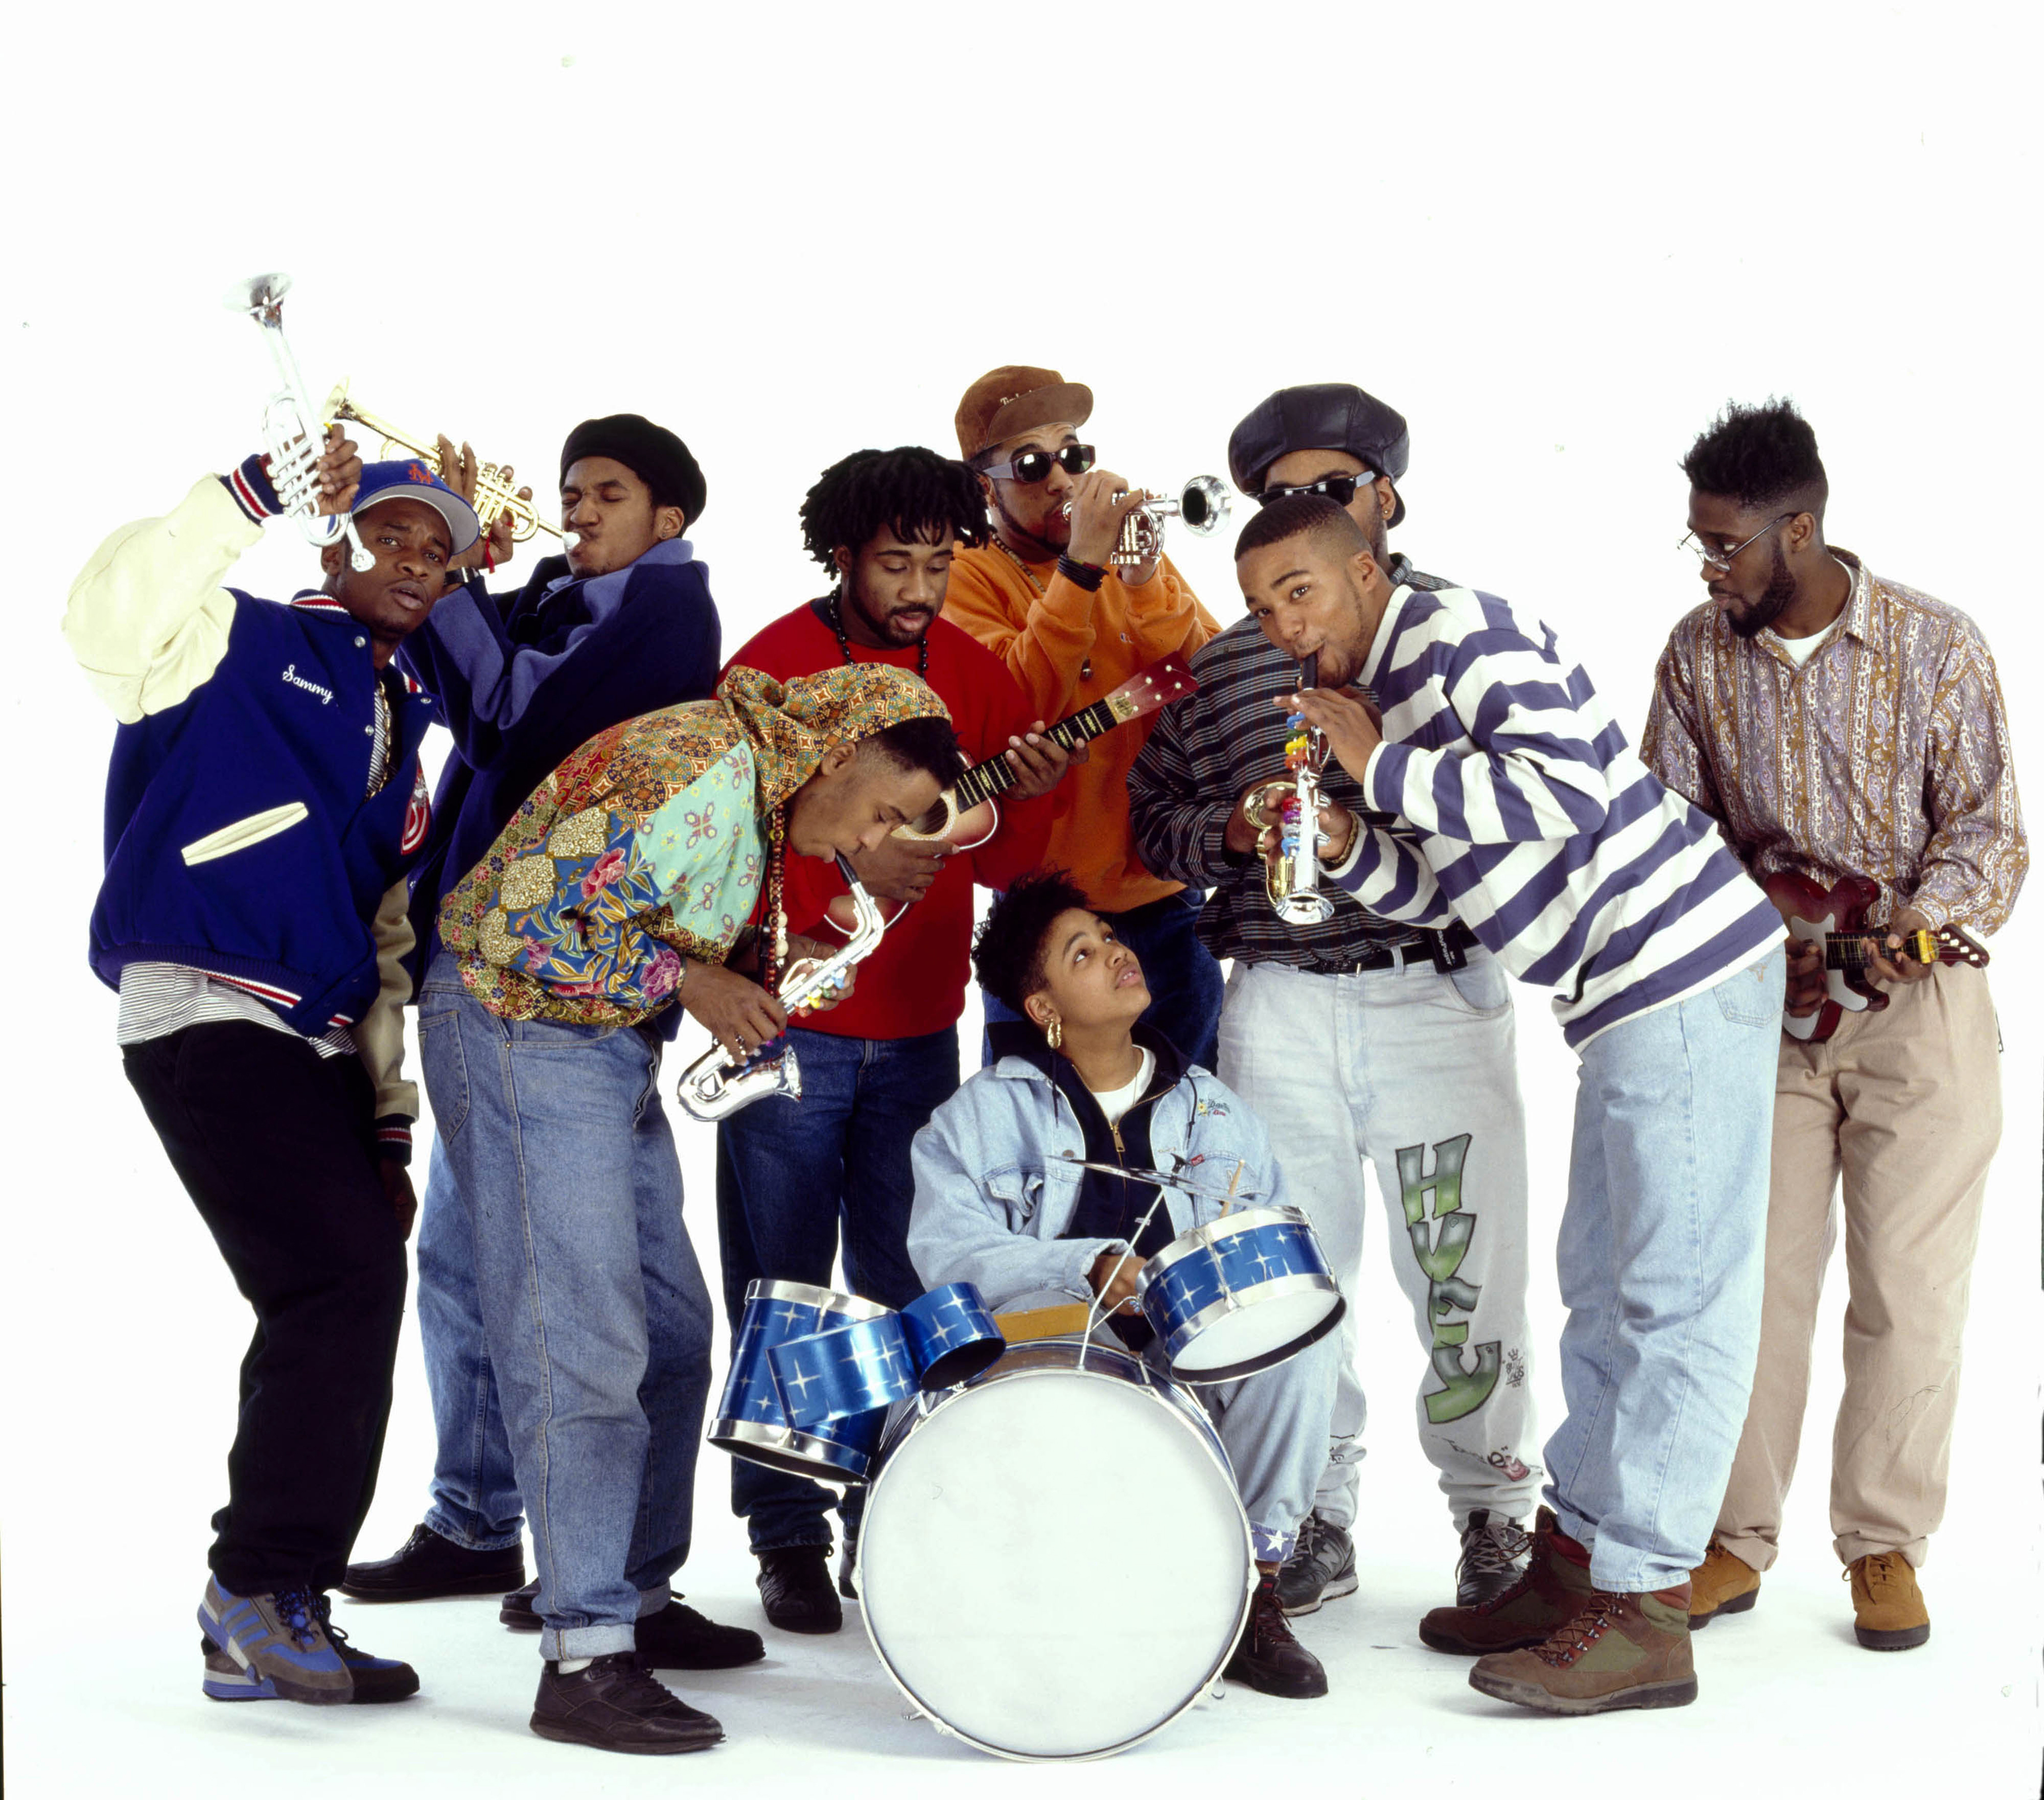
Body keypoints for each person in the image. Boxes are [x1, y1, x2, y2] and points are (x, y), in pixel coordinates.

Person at [1235, 494, 1787, 1716]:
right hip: (1617, 998)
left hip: (1682, 970)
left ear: (1367, 571)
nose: (1283, 623)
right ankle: (1576, 1562)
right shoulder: (1385, 689)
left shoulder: (1452, 639)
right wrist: (1339, 837)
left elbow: (1573, 795)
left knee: (1678, 1298)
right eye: (1264, 603)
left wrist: (1380, 765)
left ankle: (1647, 1608)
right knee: (1600, 1282)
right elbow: (1452, 888)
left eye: (1302, 591)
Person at [427, 662, 961, 1753]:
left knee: (672, 1336)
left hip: (598, 1045)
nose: (872, 842)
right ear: (844, 751)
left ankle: (632, 1594)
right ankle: (585, 1655)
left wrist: (771, 961)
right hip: (517, 1028)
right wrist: (690, 983)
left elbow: (640, 910)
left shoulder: (757, 793)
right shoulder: (696, 766)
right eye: (885, 812)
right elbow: (494, 920)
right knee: (581, 1342)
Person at [65, 431, 481, 1705]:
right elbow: (107, 623)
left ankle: (252, 1609)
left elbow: (390, 949)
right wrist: (248, 492)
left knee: (340, 1282)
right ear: (336, 539)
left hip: (312, 1041)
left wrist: (390, 1119)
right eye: (391, 537)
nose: (415, 563)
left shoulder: (406, 725)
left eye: (441, 554)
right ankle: (261, 1584)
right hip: (202, 1004)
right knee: (338, 1281)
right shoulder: (232, 638)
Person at [1129, 383, 1540, 1621]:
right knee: (1286, 1266)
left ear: (1381, 502)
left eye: (1328, 489)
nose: (1299, 512)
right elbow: (1151, 819)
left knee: (1467, 1269)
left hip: (1435, 986)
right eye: (1276, 497)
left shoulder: (1456, 637)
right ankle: (1311, 1509)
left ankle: (1494, 1513)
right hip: (1284, 995)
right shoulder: (1227, 661)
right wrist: (1228, 828)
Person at [342, 415, 742, 1673]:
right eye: (572, 490)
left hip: (557, 988)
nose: (578, 509)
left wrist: (464, 581)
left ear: (667, 519)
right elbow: (471, 689)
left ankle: (609, 1584)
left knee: (629, 1322)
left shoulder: (670, 612)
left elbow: (511, 712)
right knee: (473, 1269)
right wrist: (487, 565)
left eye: (606, 494)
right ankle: (511, 1547)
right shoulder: (580, 592)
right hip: (511, 985)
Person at [1644, 399, 2025, 1652]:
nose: (1708, 567)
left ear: (1796, 530)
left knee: (1911, 1290)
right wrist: (1755, 920)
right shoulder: (1696, 656)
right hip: (1764, 1004)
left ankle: (1883, 1546)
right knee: (1750, 1280)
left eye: (1725, 544)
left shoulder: (1938, 644)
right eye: (1701, 544)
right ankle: (1730, 1539)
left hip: (1919, 1006)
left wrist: (1915, 924)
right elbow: (1669, 833)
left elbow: (1988, 829)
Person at [716, 447, 1073, 1631]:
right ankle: (783, 1536)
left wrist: (1021, 791)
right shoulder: (770, 665)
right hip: (791, 1026)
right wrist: (844, 855)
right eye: (894, 562)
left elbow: (1014, 866)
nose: (919, 586)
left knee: (904, 1287)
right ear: (841, 555)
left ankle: (889, 1508)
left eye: (938, 560)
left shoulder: (974, 669)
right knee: (780, 1287)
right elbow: (717, 849)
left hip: (923, 1032)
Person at [908, 870, 1343, 1699]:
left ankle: (1251, 1586)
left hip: (1184, 1348)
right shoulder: (975, 1118)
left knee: (1299, 1344)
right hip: (1049, 1346)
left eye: (1111, 937)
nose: (1116, 954)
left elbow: (1267, 1231)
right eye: (1084, 951)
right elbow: (947, 1251)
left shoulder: (1216, 1109)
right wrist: (1083, 1264)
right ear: (1042, 1009)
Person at [940, 364, 1224, 1066]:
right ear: (985, 486)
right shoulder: (962, 571)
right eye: (1032, 464)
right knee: (1048, 1149)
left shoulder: (1132, 560)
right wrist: (1080, 570)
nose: (1063, 479)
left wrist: (1145, 581)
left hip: (1166, 899)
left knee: (1189, 1137)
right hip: (1046, 924)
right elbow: (1008, 707)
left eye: (1073, 454)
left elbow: (1214, 686)